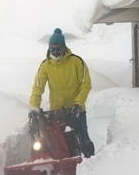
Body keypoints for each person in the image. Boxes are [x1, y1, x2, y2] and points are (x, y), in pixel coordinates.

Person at [29, 27, 94, 157]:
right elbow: (37, 88)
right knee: (55, 144)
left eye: (58, 49)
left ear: (64, 47)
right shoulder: (45, 66)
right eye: (53, 49)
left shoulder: (76, 62)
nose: (56, 52)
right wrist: (33, 108)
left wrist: (78, 104)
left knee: (84, 140)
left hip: (76, 111)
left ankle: (90, 163)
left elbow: (86, 85)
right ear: (49, 49)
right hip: (56, 113)